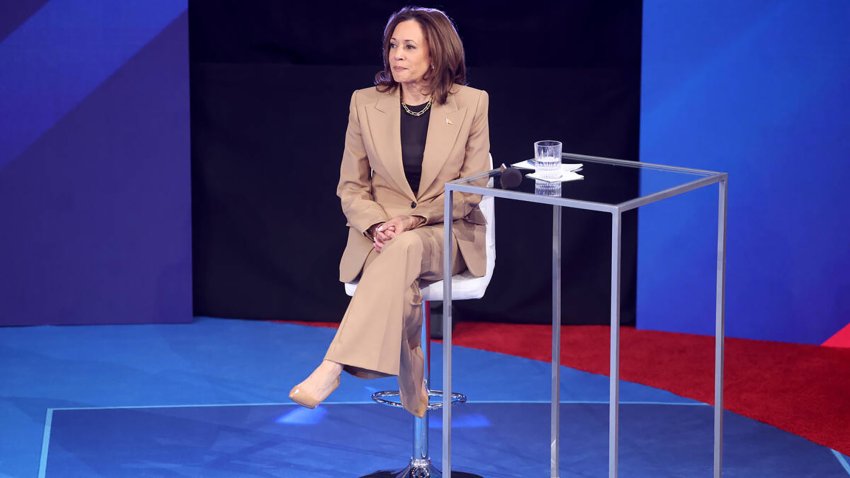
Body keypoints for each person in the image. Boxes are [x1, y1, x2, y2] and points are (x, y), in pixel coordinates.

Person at [289, 6, 490, 418]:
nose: (396, 54)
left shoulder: (472, 103)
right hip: (380, 237)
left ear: (436, 53)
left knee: (406, 245)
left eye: (409, 46)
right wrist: (379, 222)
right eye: (393, 45)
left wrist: (413, 220)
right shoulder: (364, 103)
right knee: (399, 257)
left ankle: (333, 365)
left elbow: (472, 188)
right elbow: (351, 186)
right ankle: (409, 373)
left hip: (444, 232)